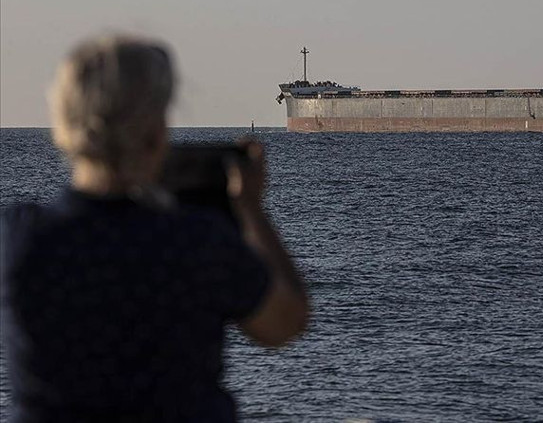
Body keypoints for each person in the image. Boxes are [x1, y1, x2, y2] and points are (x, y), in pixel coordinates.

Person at [0, 35, 310, 422]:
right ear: (155, 132)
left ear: (63, 122)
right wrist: (251, 210)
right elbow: (286, 322)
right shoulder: (198, 241)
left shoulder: (16, 238)